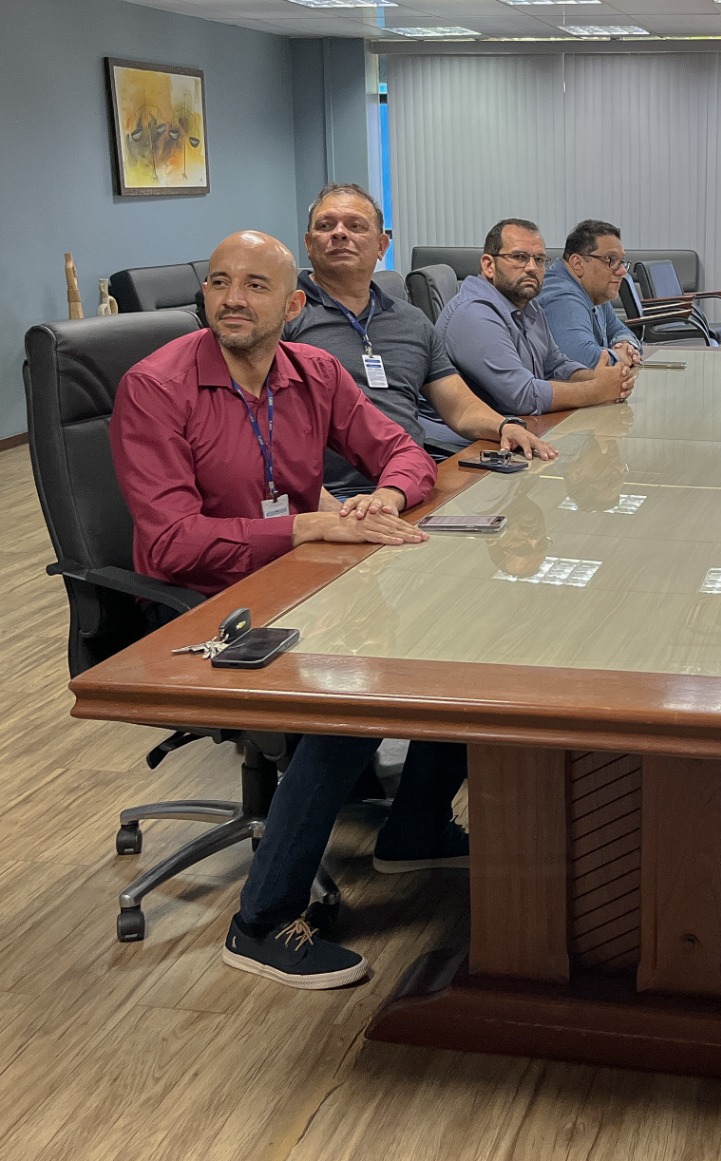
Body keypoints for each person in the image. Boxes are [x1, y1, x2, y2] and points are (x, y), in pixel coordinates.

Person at [111, 231, 467, 991]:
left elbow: (402, 451)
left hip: (297, 581)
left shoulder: (315, 372)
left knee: (452, 634)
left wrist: (387, 493)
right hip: (194, 610)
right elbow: (171, 544)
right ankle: (264, 919)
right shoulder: (156, 385)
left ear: (294, 304)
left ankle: (415, 829)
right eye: (218, 283)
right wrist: (306, 525)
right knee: (354, 691)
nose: (233, 299)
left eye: (255, 286)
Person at [286, 183, 557, 493]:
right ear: (309, 243)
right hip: (329, 495)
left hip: (410, 482)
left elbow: (459, 407)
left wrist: (504, 426)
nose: (339, 233)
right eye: (325, 225)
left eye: (355, 226)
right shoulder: (286, 316)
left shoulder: (411, 321)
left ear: (381, 246)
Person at [436, 218, 635, 422]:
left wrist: (602, 379)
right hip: (468, 444)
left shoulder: (529, 306)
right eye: (519, 257)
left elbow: (556, 365)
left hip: (522, 428)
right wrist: (597, 391)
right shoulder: (474, 314)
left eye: (539, 259)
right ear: (489, 265)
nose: (532, 267)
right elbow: (521, 396)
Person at [540, 218, 645, 370]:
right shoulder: (562, 296)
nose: (622, 271)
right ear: (577, 263)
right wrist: (621, 357)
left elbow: (620, 330)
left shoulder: (595, 292)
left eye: (621, 261)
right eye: (611, 259)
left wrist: (627, 345)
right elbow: (581, 358)